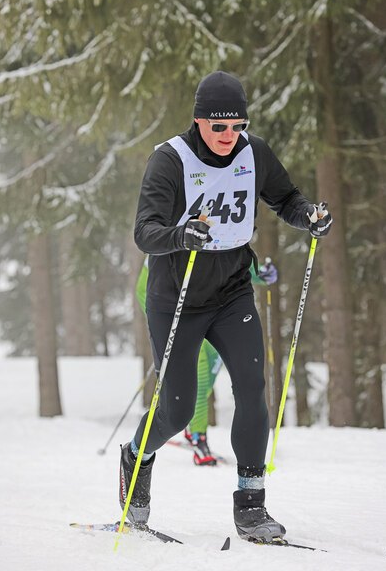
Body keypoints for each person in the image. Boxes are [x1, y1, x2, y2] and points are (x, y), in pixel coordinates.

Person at [120, 71, 332, 542]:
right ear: (199, 121)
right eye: (219, 126)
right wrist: (181, 234)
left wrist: (308, 216)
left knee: (253, 387)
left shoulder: (254, 153)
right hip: (176, 296)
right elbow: (145, 232)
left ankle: (251, 505)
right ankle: (136, 456)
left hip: (232, 291)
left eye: (238, 125)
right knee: (177, 410)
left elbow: (286, 198)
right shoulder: (169, 160)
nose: (228, 135)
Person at [137, 257, 278, 467]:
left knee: (210, 373)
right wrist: (163, 325)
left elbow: (234, 261)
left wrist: (259, 273)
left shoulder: (223, 238)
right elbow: (144, 288)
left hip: (217, 308)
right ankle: (198, 437)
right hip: (179, 311)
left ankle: (193, 428)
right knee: (200, 375)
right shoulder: (170, 241)